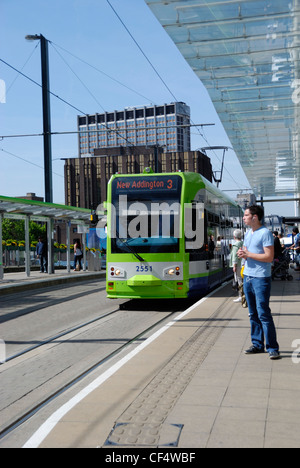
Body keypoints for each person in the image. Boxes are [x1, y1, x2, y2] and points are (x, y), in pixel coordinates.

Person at [238, 205, 280, 360]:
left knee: (263, 313)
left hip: (261, 278)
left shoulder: (265, 233)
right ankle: (257, 344)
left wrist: (248, 254)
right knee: (252, 313)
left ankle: (272, 347)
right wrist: (243, 254)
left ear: (255, 217)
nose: (243, 217)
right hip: (248, 276)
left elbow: (269, 257)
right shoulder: (248, 233)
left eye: (246, 215)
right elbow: (247, 252)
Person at [230, 229, 243, 303]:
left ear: (234, 236)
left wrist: (234, 266)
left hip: (238, 265)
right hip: (243, 264)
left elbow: (235, 257)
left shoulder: (235, 245)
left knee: (239, 281)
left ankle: (241, 296)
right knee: (242, 280)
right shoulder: (243, 243)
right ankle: (243, 296)